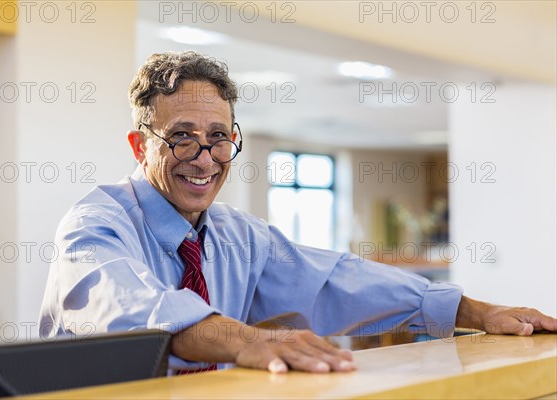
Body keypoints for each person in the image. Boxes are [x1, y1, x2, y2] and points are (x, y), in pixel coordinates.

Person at [39, 52, 557, 374]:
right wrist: (251, 340)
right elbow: (134, 314)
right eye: (181, 139)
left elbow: (338, 281)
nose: (204, 158)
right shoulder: (95, 226)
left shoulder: (237, 234)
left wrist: (475, 312)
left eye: (219, 138)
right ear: (139, 146)